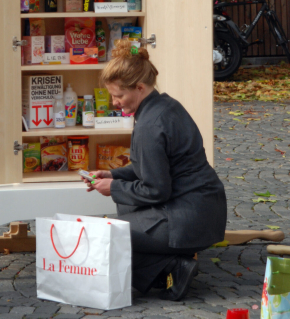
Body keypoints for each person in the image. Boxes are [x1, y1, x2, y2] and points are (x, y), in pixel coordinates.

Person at [83, 38, 227, 300]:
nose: (114, 102)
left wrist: (113, 187)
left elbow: (156, 189)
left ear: (139, 87)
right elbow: (153, 167)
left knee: (106, 236)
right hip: (205, 211)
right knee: (124, 213)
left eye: (119, 95)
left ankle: (174, 265)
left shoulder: (149, 125)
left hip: (187, 219)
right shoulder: (166, 105)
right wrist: (113, 174)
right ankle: (168, 266)